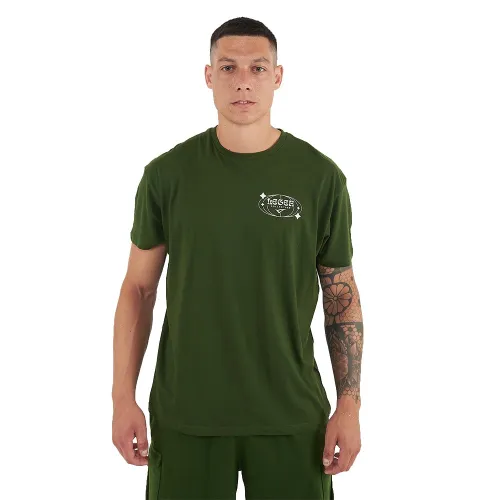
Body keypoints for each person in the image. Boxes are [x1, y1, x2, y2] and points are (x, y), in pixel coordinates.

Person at [112, 16, 364, 500]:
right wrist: (123, 398)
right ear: (209, 76)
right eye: (228, 67)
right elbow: (138, 289)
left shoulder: (320, 177)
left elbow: (341, 295)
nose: (243, 81)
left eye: (257, 68)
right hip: (188, 415)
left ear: (278, 76)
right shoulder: (167, 175)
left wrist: (349, 405)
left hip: (292, 416)